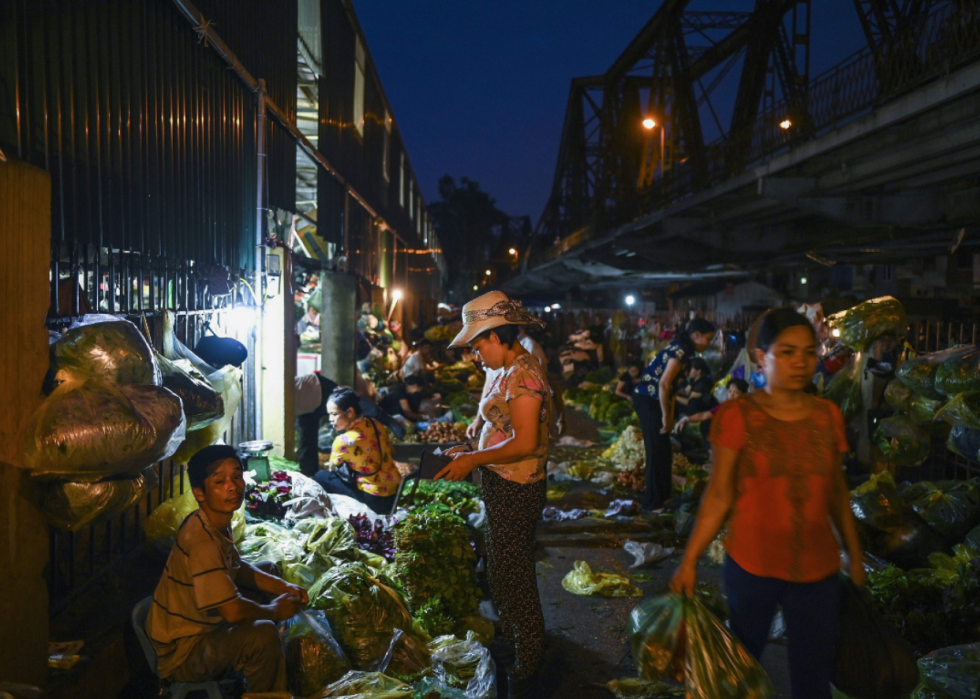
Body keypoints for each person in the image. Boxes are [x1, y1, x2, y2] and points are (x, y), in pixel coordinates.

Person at [670, 308, 864, 699]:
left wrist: (853, 554)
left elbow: (836, 491)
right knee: (741, 670)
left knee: (813, 678)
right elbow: (719, 494)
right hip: (751, 566)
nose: (800, 362)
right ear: (761, 356)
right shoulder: (738, 416)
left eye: (808, 353)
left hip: (818, 570)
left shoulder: (828, 416)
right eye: (787, 352)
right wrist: (690, 560)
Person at [437, 291, 550, 698]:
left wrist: (473, 460)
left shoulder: (524, 375)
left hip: (517, 488)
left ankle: (530, 662)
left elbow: (524, 443)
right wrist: (472, 449)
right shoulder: (505, 369)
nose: (475, 353)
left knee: (515, 576)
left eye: (478, 344)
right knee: (502, 572)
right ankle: (519, 644)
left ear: (497, 335)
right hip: (501, 482)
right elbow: (500, 427)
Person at [145, 446, 307, 693]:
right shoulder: (202, 541)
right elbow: (232, 612)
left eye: (237, 476)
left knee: (269, 569)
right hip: (185, 653)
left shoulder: (213, 520)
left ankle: (270, 662)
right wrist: (274, 611)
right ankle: (267, 688)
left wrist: (284, 587)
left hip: (205, 628)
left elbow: (236, 567)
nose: (233, 486)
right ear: (199, 493)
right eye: (220, 481)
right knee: (262, 636)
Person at [632, 318, 717, 511]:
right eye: (708, 338)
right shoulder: (680, 351)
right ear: (696, 335)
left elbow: (672, 389)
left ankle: (663, 497)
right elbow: (663, 384)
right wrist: (664, 414)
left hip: (656, 400)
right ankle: (651, 503)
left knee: (664, 449)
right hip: (648, 399)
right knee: (656, 450)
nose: (709, 343)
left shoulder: (684, 352)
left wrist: (669, 416)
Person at [295, 373, 404, 477]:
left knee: (354, 405)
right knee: (306, 440)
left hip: (318, 388)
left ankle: (390, 421)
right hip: (305, 409)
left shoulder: (342, 441)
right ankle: (309, 473)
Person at [315, 386, 402, 514]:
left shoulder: (343, 441)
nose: (330, 419)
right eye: (329, 414)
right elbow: (392, 451)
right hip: (395, 493)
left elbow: (332, 468)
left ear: (350, 412)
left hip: (376, 501)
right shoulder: (375, 423)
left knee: (320, 476)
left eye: (334, 414)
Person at [674, 378, 748, 438]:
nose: (731, 394)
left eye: (736, 392)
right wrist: (687, 419)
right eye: (729, 391)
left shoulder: (746, 408)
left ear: (744, 395)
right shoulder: (725, 406)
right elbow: (704, 415)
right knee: (706, 423)